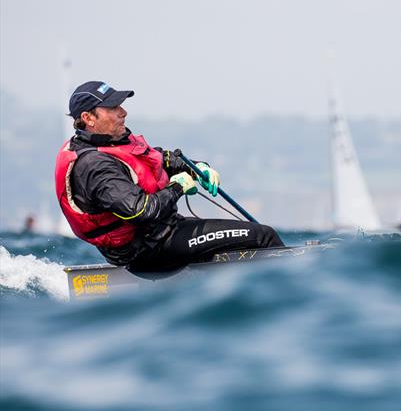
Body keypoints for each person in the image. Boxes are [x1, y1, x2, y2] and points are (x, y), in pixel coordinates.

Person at [55, 80, 284, 271]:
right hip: (149, 250)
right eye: (113, 108)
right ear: (88, 118)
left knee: (244, 241)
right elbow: (142, 210)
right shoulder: (94, 166)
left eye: (121, 105)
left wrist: (197, 168)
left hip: (164, 234)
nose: (123, 112)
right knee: (264, 237)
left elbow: (160, 159)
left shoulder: (116, 142)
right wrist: (177, 188)